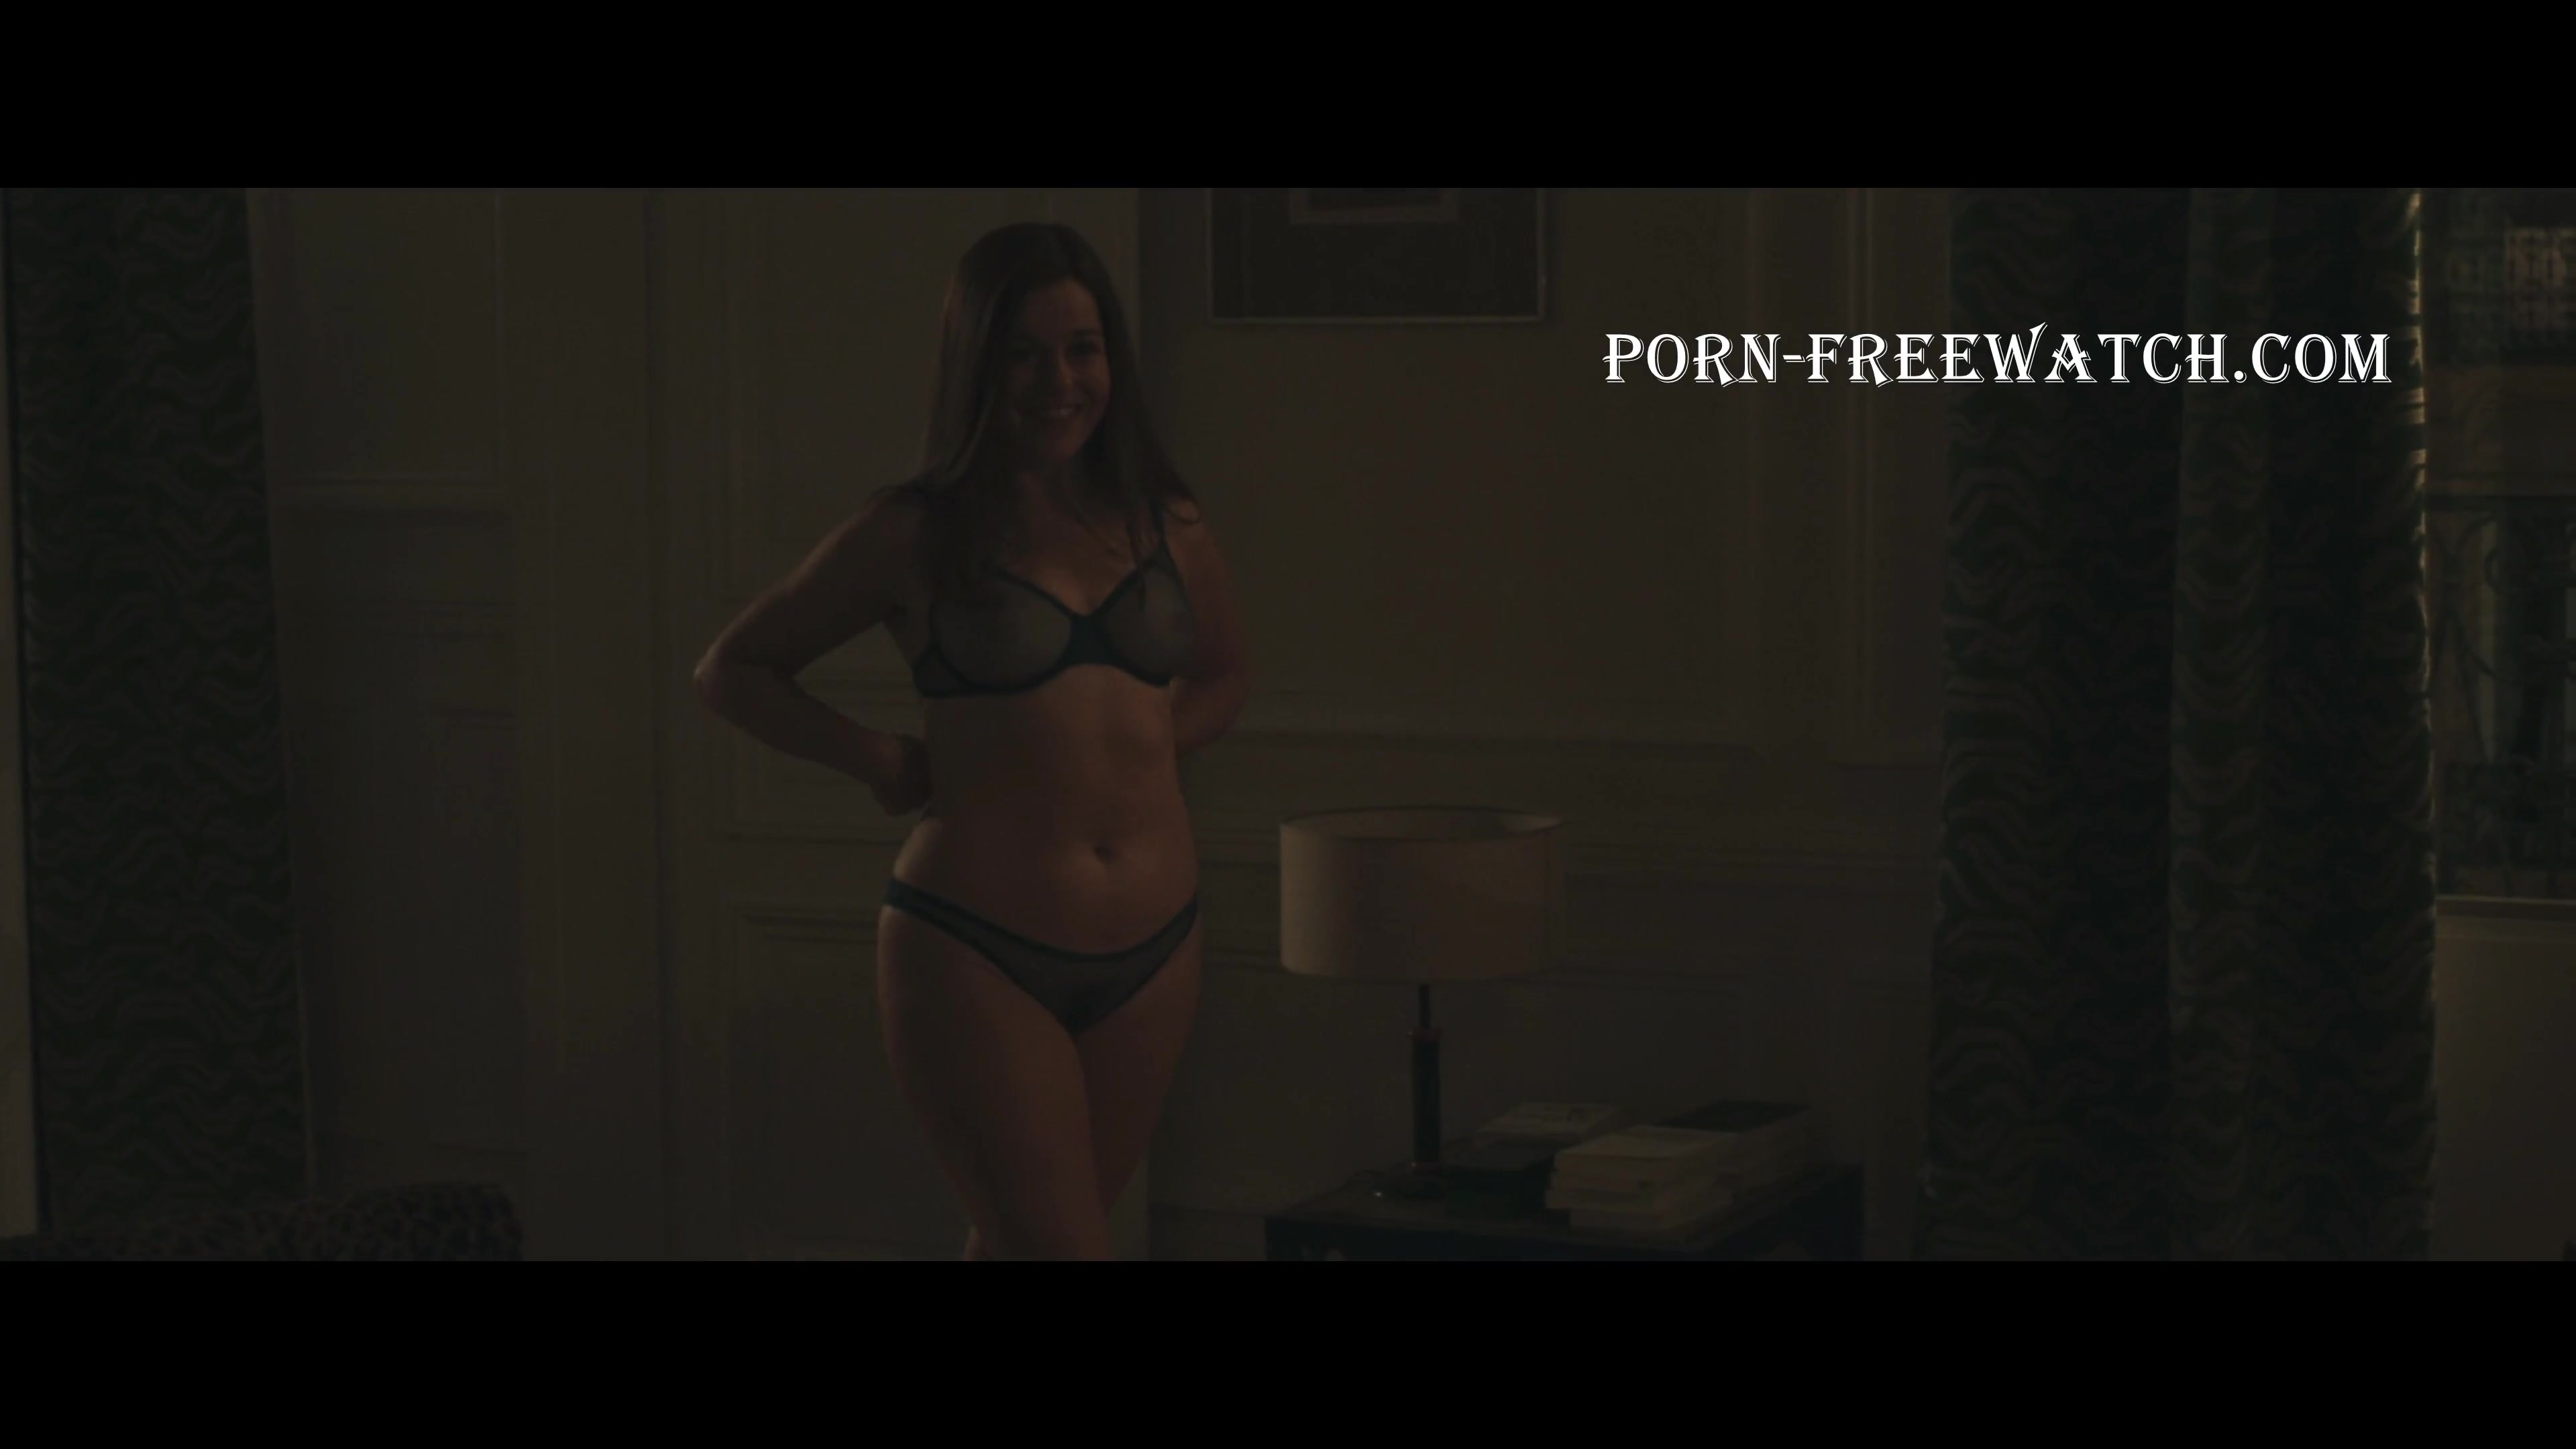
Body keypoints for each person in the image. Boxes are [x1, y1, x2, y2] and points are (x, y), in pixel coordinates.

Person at [692, 221, 1251, 1260]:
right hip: (978, 948)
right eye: (1024, 354)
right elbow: (733, 669)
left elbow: (1223, 672)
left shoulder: (1165, 519)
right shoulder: (916, 530)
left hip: (1156, 946)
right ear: (975, 365)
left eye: (1082, 349)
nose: (1060, 381)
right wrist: (878, 760)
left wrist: (1138, 760)